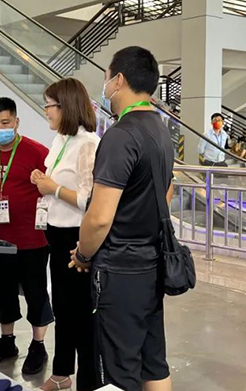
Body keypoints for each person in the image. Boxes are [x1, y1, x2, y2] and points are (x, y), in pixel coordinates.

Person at [71, 46, 174, 391]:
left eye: (106, 78)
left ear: (118, 80)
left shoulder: (120, 135)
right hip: (152, 261)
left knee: (118, 370)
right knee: (153, 361)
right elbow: (167, 192)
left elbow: (100, 218)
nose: (105, 87)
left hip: (119, 268)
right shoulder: (160, 129)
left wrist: (83, 254)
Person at [30, 78, 100, 391]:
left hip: (77, 236)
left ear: (66, 106)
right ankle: (61, 373)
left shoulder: (88, 144)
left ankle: (88, 380)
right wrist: (44, 181)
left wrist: (53, 188)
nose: (46, 111)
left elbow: (90, 199)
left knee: (81, 313)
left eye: (50, 105)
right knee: (62, 307)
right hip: (56, 234)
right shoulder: (61, 140)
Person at [0, 97, 53, 375]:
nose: (0, 129)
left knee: (35, 291)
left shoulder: (38, 152)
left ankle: (38, 344)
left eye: (5, 122)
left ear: (16, 122)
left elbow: (52, 187)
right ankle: (7, 341)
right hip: (0, 237)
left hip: (33, 238)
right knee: (3, 290)